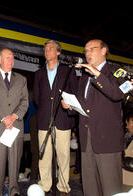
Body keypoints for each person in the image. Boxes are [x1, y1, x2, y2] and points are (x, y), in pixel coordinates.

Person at [62, 39, 124, 196]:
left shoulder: (117, 71)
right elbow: (85, 106)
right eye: (85, 51)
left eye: (92, 49)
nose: (87, 53)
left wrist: (97, 73)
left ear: (104, 51)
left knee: (111, 187)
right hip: (87, 138)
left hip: (107, 140)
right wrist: (71, 107)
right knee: (90, 187)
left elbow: (118, 94)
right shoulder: (84, 77)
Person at [33, 40, 78, 196]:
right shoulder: (38, 73)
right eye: (46, 49)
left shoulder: (68, 71)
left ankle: (63, 187)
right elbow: (37, 98)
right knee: (44, 156)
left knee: (63, 156)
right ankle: (45, 185)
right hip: (45, 120)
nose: (47, 51)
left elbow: (74, 93)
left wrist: (69, 107)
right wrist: (46, 110)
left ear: (58, 52)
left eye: (51, 49)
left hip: (63, 120)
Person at [0, 48, 29, 196]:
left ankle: (14, 190)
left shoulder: (22, 79)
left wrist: (14, 116)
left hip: (15, 127)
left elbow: (25, 102)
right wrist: (4, 118)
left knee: (15, 162)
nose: (11, 60)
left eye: (12, 58)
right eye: (8, 57)